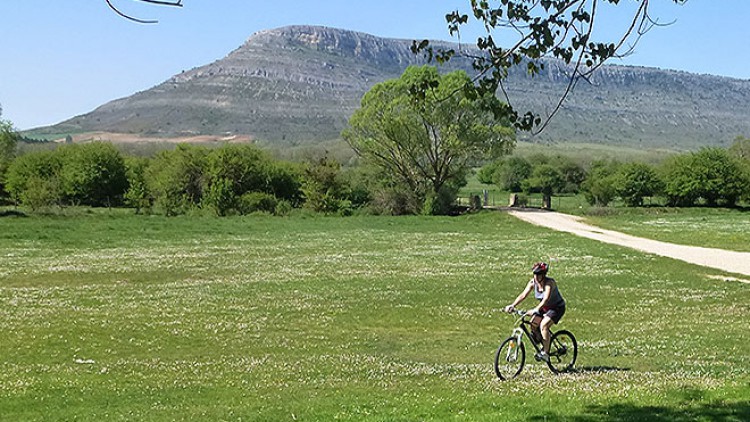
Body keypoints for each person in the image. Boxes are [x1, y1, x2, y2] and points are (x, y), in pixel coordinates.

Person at [504, 262, 566, 363]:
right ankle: (544, 343)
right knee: (533, 325)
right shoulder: (532, 283)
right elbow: (523, 295)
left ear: (543, 275)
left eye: (539, 274)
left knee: (544, 326)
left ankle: (546, 353)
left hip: (556, 307)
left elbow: (545, 299)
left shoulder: (549, 283)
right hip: (544, 308)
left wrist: (535, 309)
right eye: (535, 274)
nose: (536, 276)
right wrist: (512, 305)